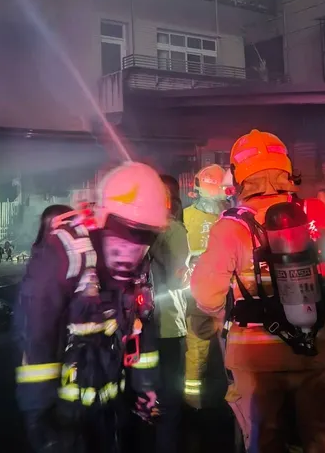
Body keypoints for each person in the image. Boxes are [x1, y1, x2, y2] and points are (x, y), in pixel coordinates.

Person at [191, 130, 325, 453]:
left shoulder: (230, 227)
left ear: (240, 176)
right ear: (286, 168)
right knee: (319, 440)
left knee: (264, 442)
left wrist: (224, 313)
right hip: (316, 348)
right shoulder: (312, 213)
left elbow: (206, 294)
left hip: (255, 360)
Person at [14, 161, 168, 453]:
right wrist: (40, 416)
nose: (129, 254)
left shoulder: (139, 266)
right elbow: (35, 333)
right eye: (123, 239)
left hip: (111, 406)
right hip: (64, 413)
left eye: (141, 241)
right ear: (103, 221)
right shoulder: (67, 252)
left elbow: (141, 325)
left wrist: (146, 384)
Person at [149, 174, 190, 452]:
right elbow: (178, 280)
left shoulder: (134, 227)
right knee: (170, 394)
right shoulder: (173, 230)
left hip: (136, 324)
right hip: (168, 323)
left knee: (142, 391)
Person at [183, 164, 228, 409]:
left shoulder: (186, 216)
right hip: (223, 294)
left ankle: (193, 403)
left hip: (200, 293)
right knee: (229, 348)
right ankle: (234, 403)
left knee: (197, 348)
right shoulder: (232, 217)